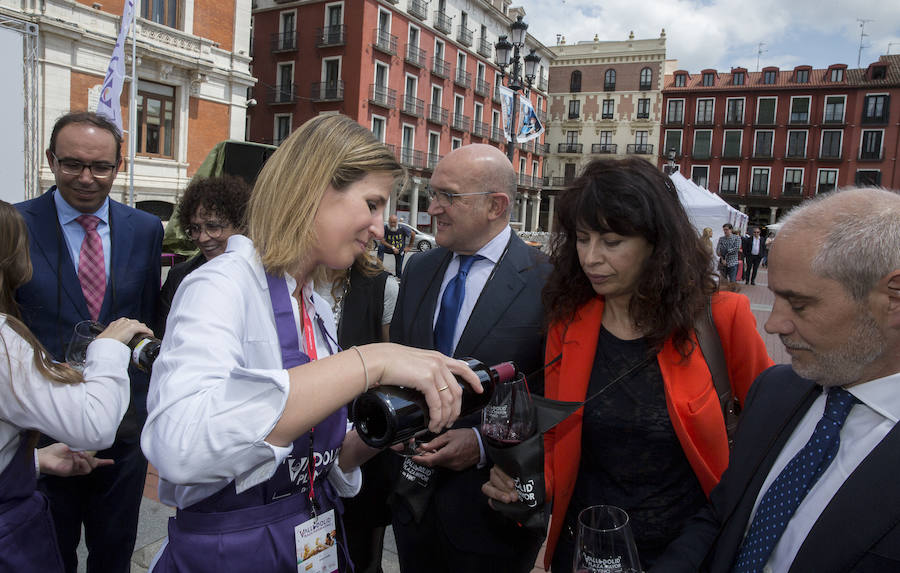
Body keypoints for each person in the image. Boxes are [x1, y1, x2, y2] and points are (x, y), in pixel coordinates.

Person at [140, 114, 481, 572]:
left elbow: (318, 457)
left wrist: (386, 427)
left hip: (305, 540)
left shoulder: (313, 303)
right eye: (372, 204)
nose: (381, 229)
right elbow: (180, 448)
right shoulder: (221, 285)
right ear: (315, 187)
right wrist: (372, 360)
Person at [482, 158, 773, 570]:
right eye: (582, 239)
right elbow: (555, 438)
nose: (591, 258)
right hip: (583, 551)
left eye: (612, 241)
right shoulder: (569, 321)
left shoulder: (722, 318)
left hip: (686, 554)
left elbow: (770, 437)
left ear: (656, 242)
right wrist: (525, 483)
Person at [653, 187, 900, 573]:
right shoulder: (775, 390)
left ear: (894, 296)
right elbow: (723, 517)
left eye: (799, 304)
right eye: (776, 299)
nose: (774, 324)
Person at [390, 143, 551, 573]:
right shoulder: (419, 269)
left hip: (488, 519)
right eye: (432, 193)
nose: (432, 208)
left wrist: (481, 445)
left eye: (448, 196)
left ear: (496, 206)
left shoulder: (547, 282)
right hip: (412, 509)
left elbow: (554, 395)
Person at [14, 111, 163, 573]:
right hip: (42, 427)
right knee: (48, 554)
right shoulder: (15, 225)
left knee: (113, 552)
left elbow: (147, 322)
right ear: (50, 160)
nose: (85, 178)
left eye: (100, 167)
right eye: (72, 164)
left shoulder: (145, 229)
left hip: (122, 431)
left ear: (118, 166)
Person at [0, 200, 153, 571]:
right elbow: (94, 425)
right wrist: (108, 348)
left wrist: (33, 462)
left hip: (114, 435)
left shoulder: (145, 229)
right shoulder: (5, 343)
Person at [316, 252, 399, 573]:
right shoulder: (287, 283)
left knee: (362, 559)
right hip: (303, 453)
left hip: (364, 452)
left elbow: (393, 375)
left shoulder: (381, 288)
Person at [156, 175, 251, 336]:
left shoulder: (265, 275)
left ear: (240, 225)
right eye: (195, 228)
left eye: (213, 227)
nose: (202, 237)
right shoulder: (178, 277)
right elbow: (163, 337)